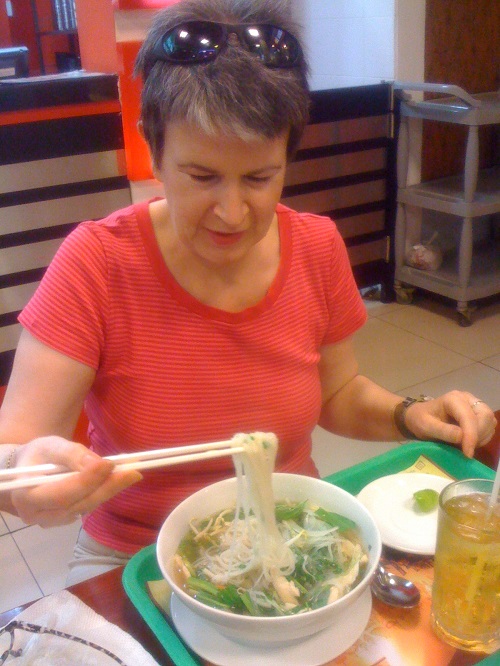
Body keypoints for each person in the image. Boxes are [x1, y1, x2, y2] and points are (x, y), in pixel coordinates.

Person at [0, 0, 496, 584]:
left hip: (290, 535)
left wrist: (412, 416)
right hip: (134, 558)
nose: (233, 213)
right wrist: (25, 478)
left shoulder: (315, 246)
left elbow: (336, 392)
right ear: (153, 151)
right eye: (202, 176)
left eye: (259, 178)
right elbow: (16, 450)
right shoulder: (96, 262)